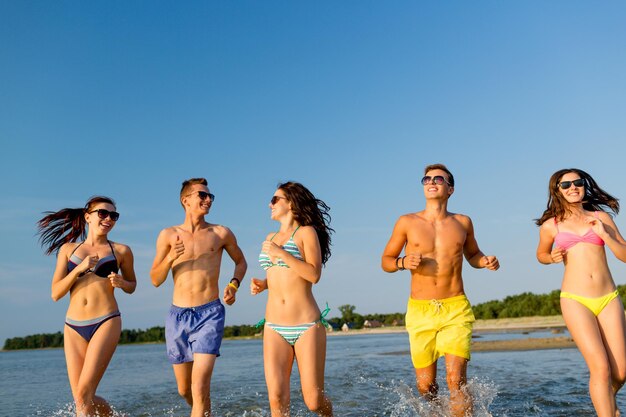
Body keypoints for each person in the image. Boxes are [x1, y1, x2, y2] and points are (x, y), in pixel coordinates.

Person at [381, 163, 499, 417]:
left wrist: (485, 261)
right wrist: (402, 262)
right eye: (426, 179)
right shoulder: (406, 222)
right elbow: (386, 261)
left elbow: (473, 255)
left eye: (439, 179)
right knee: (426, 386)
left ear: (450, 189)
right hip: (420, 311)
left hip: (455, 307)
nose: (431, 182)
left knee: (455, 380)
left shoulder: (463, 222)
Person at [150, 177, 247, 417]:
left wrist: (233, 285)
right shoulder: (168, 235)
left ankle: (202, 407)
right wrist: (171, 257)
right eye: (202, 195)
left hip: (210, 313)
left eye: (210, 196)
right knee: (186, 390)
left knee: (200, 385)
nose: (208, 200)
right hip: (178, 316)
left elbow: (241, 262)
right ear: (186, 200)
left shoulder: (220, 233)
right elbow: (155, 278)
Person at [536, 168, 626, 417]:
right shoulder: (550, 225)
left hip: (608, 297)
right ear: (558, 190)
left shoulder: (602, 218)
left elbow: (624, 255)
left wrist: (605, 235)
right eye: (566, 185)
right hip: (575, 300)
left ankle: (606, 401)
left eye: (577, 182)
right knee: (600, 368)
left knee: (621, 372)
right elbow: (541, 254)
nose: (573, 187)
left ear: (584, 185)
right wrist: (550, 257)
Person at [37, 196, 137, 417]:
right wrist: (78, 269)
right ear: (88, 216)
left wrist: (122, 283)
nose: (109, 219)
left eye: (114, 216)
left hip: (106, 320)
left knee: (83, 395)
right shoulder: (68, 250)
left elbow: (132, 285)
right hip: (73, 326)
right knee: (82, 398)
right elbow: (56, 293)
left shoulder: (122, 251)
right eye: (103, 213)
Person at [250, 181, 334, 417]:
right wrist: (264, 284)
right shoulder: (270, 236)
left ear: (292, 203)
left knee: (314, 402)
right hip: (273, 326)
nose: (270, 204)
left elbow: (313, 274)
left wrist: (282, 253)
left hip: (306, 325)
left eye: (275, 199)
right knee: (276, 399)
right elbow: (281, 274)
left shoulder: (306, 233)